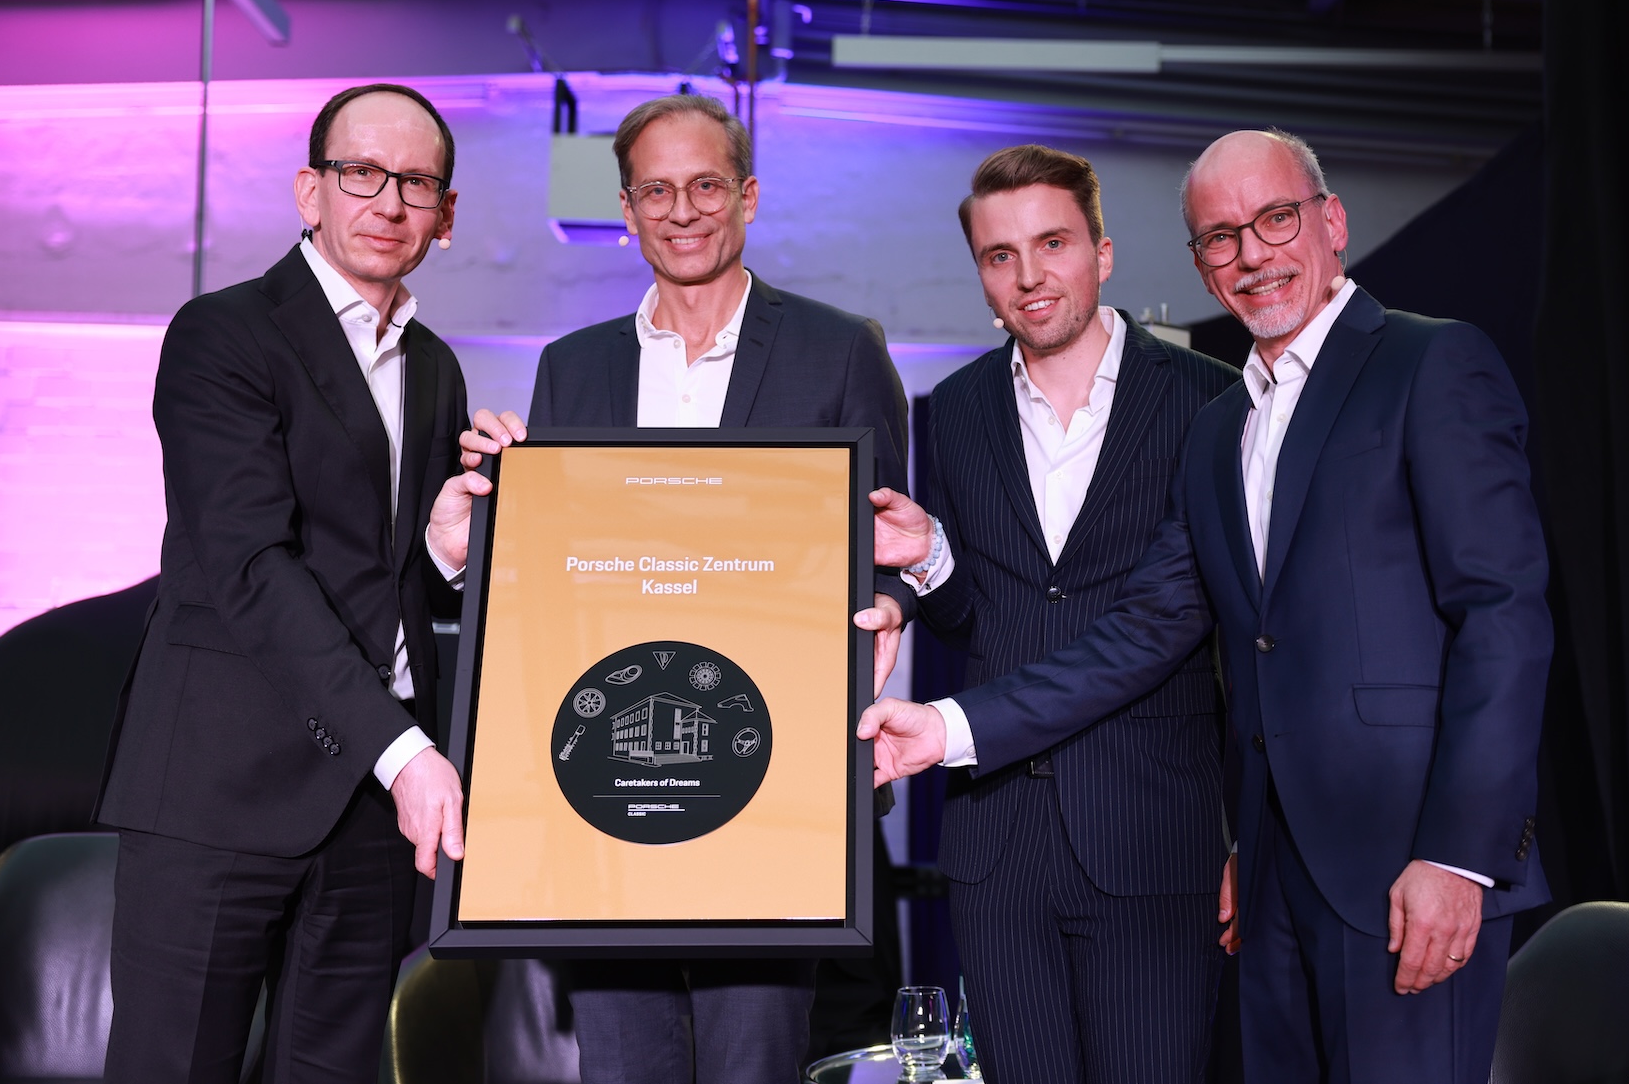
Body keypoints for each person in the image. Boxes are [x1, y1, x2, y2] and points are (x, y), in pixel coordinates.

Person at [862, 129, 1553, 1084]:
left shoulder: (1427, 363)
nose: (1251, 254)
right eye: (1221, 237)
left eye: (1276, 220)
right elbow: (1168, 625)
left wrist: (1461, 854)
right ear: (1198, 260)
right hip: (1267, 875)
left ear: (1332, 221)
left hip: (1400, 863)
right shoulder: (1229, 422)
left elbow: (1503, 614)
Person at [458, 92, 912, 1084]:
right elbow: (555, 584)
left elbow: (886, 537)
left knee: (755, 1065)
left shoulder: (839, 350)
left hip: (776, 791)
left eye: (706, 185)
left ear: (747, 195)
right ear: (626, 210)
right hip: (608, 802)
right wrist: (495, 523)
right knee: (623, 1068)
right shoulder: (573, 369)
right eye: (656, 191)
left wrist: (891, 603)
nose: (683, 210)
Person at [96, 83, 489, 1082]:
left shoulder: (436, 368)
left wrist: (446, 551)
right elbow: (249, 567)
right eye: (362, 173)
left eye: (417, 183)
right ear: (310, 191)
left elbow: (385, 579)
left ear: (445, 214)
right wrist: (407, 754)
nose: (389, 201)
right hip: (220, 790)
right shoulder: (223, 334)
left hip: (369, 810)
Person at [873, 144, 1236, 1083]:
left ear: (1102, 252)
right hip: (998, 846)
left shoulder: (1210, 400)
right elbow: (979, 623)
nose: (1028, 275)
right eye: (1000, 255)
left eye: (1052, 243)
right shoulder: (956, 408)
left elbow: (1193, 626)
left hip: (1150, 834)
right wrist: (933, 557)